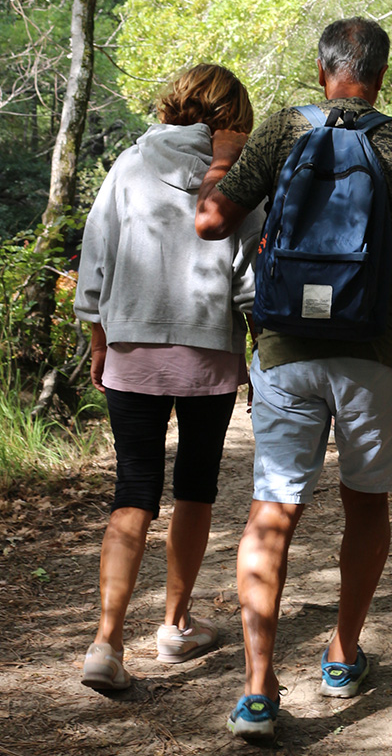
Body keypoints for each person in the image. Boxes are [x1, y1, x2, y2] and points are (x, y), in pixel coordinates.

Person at [194, 17, 392, 740]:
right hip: (377, 352)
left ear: (321, 71)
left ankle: (256, 690)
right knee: (366, 505)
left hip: (284, 350)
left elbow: (212, 222)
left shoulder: (281, 132)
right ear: (382, 76)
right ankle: (341, 657)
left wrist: (222, 165)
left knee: (271, 511)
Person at [73, 64, 263, 691]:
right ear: (231, 112)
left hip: (132, 345)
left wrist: (100, 337)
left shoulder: (128, 164)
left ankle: (106, 643)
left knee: (133, 491)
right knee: (195, 490)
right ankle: (175, 626)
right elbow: (248, 276)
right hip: (208, 351)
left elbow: (96, 253)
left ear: (174, 104)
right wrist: (257, 350)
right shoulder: (240, 176)